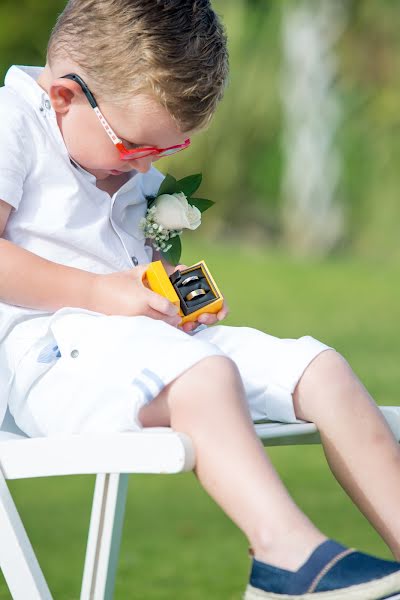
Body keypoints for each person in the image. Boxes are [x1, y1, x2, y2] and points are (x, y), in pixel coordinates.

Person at [0, 1, 400, 598]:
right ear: (63, 99)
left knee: (323, 371)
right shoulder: (14, 125)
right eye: (137, 148)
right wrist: (98, 292)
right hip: (48, 355)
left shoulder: (118, 147)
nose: (149, 166)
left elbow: (136, 264)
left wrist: (168, 293)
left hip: (145, 346)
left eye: (169, 150)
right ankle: (285, 558)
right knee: (206, 375)